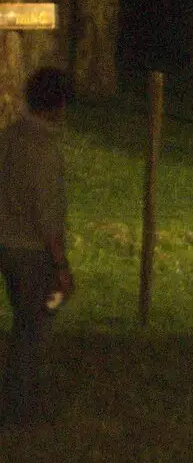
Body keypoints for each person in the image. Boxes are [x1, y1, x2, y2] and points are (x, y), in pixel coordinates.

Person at [0, 66, 74, 427]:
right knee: (34, 325)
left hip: (6, 244)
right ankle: (19, 406)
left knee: (27, 321)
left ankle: (19, 396)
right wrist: (61, 266)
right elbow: (47, 216)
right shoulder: (46, 150)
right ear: (58, 104)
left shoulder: (10, 137)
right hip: (32, 252)